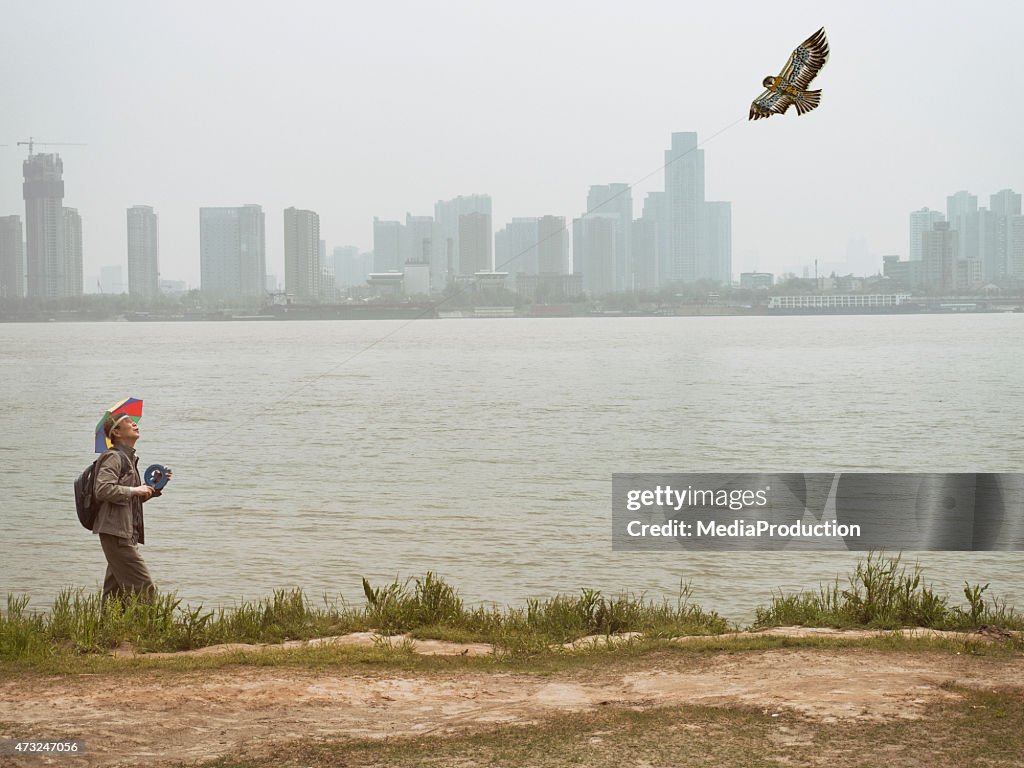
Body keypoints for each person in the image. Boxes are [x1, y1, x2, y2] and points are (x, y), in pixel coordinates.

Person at [92, 412, 167, 603]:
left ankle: (108, 631)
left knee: (114, 594)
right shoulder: (113, 457)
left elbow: (128, 499)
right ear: (116, 432)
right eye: (128, 421)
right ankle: (152, 629)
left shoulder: (129, 459)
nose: (134, 424)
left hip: (124, 531)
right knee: (144, 587)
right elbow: (102, 489)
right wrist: (135, 490)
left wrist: (153, 488)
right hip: (116, 532)